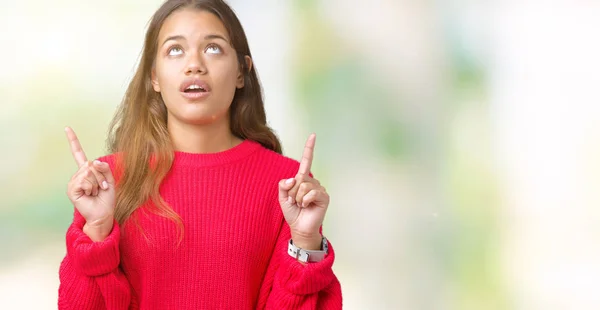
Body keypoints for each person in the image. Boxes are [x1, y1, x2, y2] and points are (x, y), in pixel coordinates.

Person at [57, 0, 342, 309]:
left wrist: (304, 242)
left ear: (241, 72)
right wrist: (97, 230)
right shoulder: (109, 182)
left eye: (213, 48)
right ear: (154, 76)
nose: (194, 65)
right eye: (175, 50)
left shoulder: (287, 186)